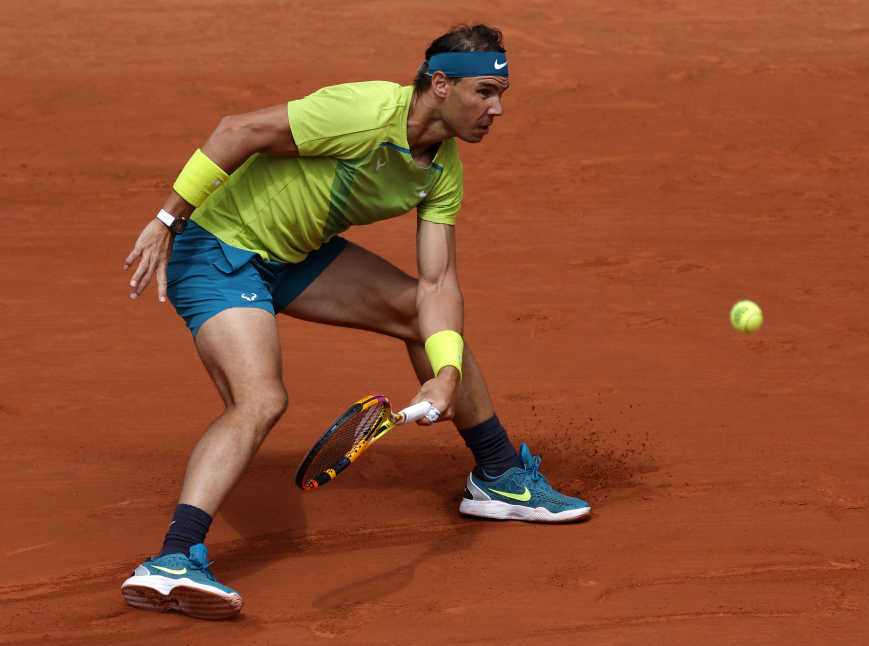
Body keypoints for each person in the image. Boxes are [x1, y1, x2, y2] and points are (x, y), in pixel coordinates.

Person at [119, 24, 590, 620]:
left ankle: (497, 475)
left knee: (417, 311)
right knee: (260, 398)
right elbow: (238, 131)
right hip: (220, 248)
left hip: (296, 255)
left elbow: (438, 285)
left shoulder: (442, 170)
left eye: (501, 94)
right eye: (484, 92)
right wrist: (166, 220)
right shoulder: (362, 111)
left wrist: (446, 372)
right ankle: (172, 559)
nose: (496, 108)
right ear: (440, 84)